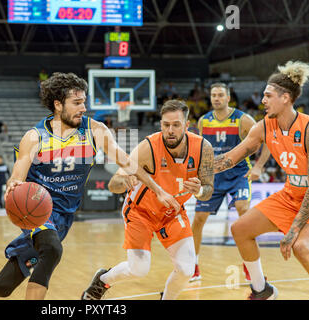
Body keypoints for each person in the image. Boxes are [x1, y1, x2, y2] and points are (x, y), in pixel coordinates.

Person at [0, 72, 179, 300]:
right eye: (77, 102)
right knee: (52, 249)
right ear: (58, 105)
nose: (84, 107)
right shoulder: (35, 137)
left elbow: (128, 162)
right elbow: (19, 172)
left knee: (3, 285)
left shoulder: (96, 131)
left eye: (84, 101)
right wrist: (14, 183)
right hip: (37, 211)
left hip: (63, 218)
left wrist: (158, 190)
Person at [81, 100, 215, 300]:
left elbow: (208, 190)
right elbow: (113, 184)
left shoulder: (203, 148)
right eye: (165, 125)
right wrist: (123, 180)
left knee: (187, 270)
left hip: (172, 213)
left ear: (187, 126)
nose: (170, 130)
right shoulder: (148, 148)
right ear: (160, 124)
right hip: (140, 212)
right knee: (139, 269)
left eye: (176, 125)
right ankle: (103, 279)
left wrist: (199, 191)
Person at [213, 61, 309, 300]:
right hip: (290, 195)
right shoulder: (265, 126)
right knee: (240, 229)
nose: (262, 100)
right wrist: (194, 170)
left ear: (285, 98)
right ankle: (261, 290)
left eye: (268, 96)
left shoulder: (307, 128)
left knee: (300, 247)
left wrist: (294, 229)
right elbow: (231, 157)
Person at [190, 83, 270, 282]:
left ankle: (250, 267)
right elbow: (201, 150)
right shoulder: (203, 121)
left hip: (238, 175)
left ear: (228, 98)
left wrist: (259, 166)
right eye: (213, 95)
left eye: (220, 95)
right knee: (198, 219)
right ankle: (193, 267)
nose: (216, 98)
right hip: (213, 177)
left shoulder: (243, 119)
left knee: (244, 214)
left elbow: (267, 139)